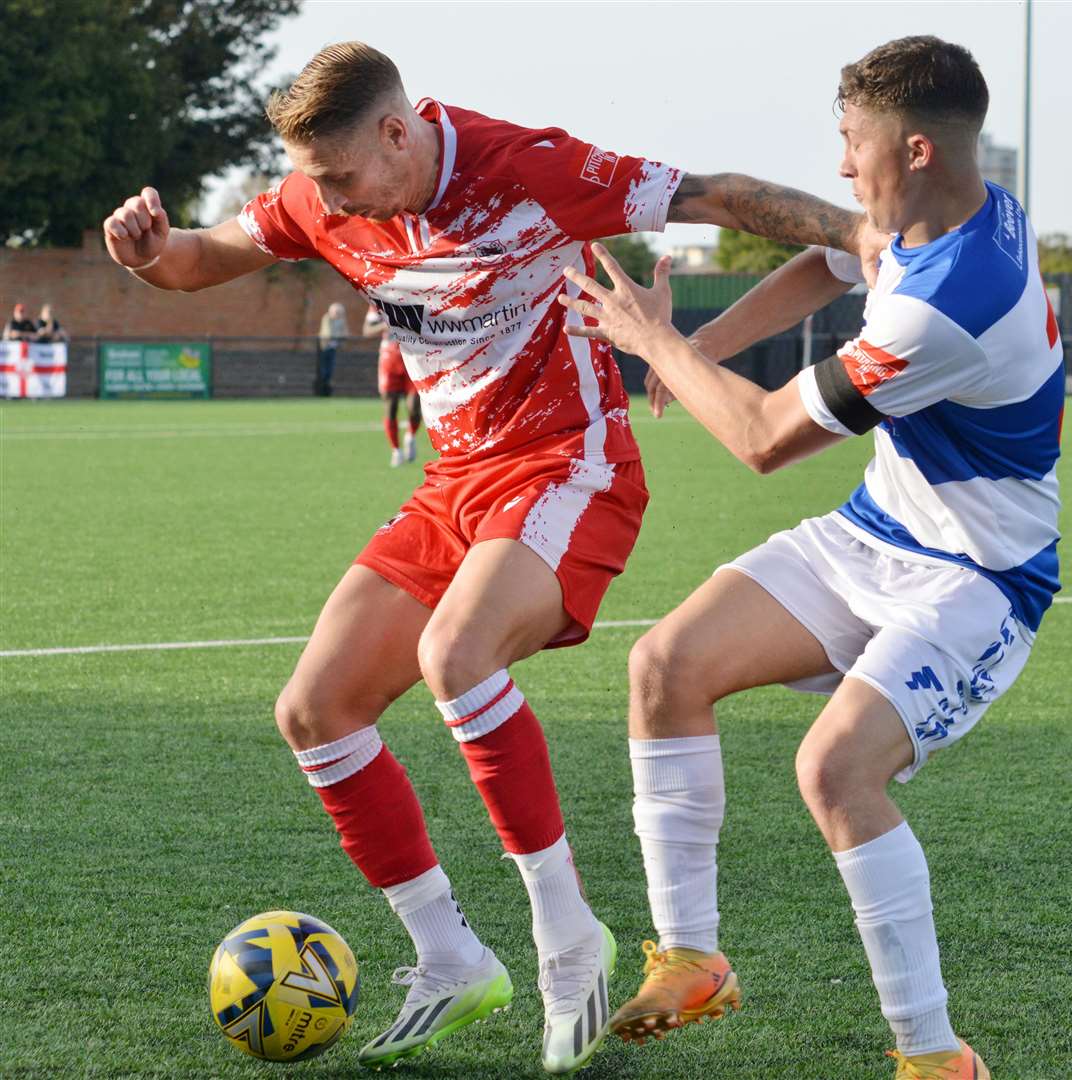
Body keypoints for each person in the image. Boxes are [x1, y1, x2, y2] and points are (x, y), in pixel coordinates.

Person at [102, 41, 880, 1074]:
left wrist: (868, 233)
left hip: (571, 464)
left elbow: (715, 196)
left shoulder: (524, 168)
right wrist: (149, 250)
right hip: (453, 482)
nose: (325, 197)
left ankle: (568, 941)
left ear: (397, 130)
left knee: (457, 656)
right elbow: (202, 258)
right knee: (315, 709)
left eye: (338, 175)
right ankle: (451, 958)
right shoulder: (321, 195)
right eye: (313, 180)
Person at [557, 35, 1062, 1080]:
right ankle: (693, 958)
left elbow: (760, 441)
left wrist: (662, 343)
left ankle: (935, 1058)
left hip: (977, 580)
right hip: (875, 533)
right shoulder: (938, 211)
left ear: (915, 149)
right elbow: (828, 259)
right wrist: (714, 340)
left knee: (836, 770)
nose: (841, 168)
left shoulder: (948, 303)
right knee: (664, 666)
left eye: (850, 145)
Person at [364, 304, 421, 466]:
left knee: (415, 406)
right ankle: (396, 450)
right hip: (390, 357)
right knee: (390, 406)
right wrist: (387, 324)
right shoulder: (379, 300)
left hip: (413, 356)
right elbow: (367, 330)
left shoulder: (417, 295)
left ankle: (410, 435)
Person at [316, 301, 348, 395]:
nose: (338, 314)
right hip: (324, 348)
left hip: (333, 348)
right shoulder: (326, 318)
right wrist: (338, 336)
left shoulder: (342, 320)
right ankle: (321, 390)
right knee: (323, 370)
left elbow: (345, 333)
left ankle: (327, 390)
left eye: (340, 313)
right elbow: (328, 333)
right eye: (337, 312)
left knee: (330, 370)